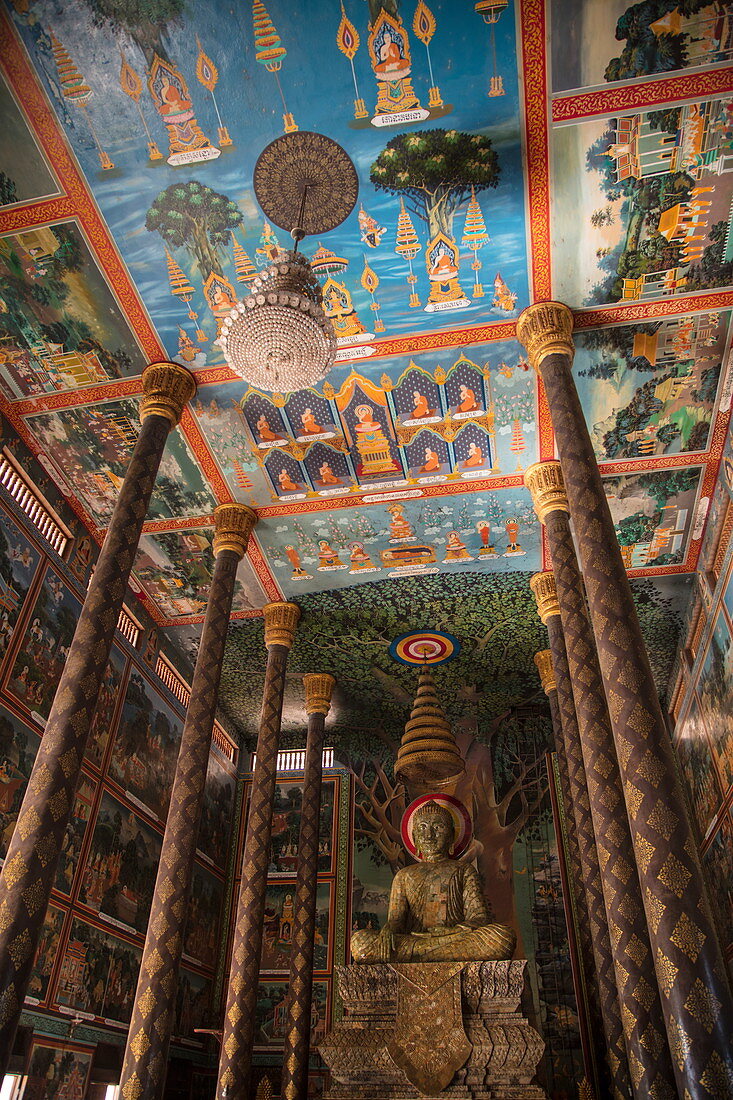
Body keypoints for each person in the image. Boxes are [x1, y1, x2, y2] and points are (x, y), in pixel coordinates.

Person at [351, 800, 515, 962]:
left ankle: (422, 955)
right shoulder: (404, 875)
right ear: (414, 836)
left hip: (453, 938)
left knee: (502, 938)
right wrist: (388, 931)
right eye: (422, 827)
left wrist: (451, 932)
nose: (429, 835)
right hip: (415, 940)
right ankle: (432, 952)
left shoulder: (463, 870)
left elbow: (479, 918)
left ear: (451, 835)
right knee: (360, 944)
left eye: (438, 827)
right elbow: (396, 924)